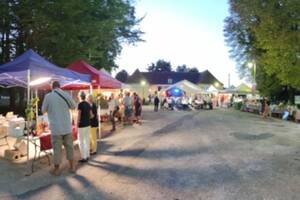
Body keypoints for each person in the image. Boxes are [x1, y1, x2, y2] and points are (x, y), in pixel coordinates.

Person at [42, 81, 76, 176]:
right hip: (67, 127)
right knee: (70, 147)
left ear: (51, 87)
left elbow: (43, 110)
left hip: (56, 128)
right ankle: (72, 167)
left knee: (57, 149)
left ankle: (57, 170)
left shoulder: (48, 96)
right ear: (60, 86)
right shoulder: (66, 95)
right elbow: (73, 106)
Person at [77, 92, 92, 163]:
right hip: (88, 124)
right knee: (87, 140)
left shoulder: (80, 104)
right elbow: (91, 115)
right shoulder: (88, 104)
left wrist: (77, 123)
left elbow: (79, 115)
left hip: (82, 125)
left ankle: (83, 157)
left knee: (81, 141)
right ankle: (87, 155)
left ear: (80, 97)